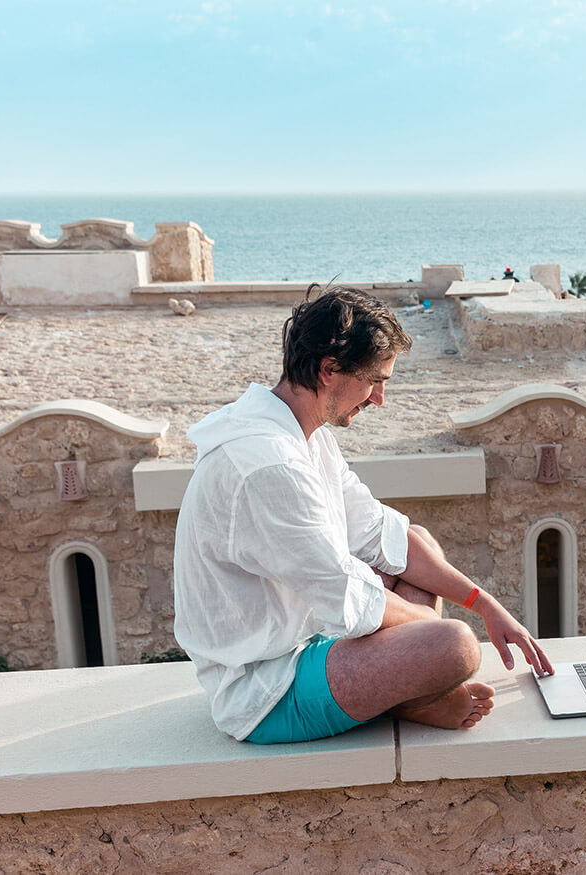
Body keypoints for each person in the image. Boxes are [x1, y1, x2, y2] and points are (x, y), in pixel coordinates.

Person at [174, 285, 553, 744]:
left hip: (314, 635)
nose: (379, 399)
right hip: (268, 686)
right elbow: (347, 595)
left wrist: (485, 605)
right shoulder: (268, 466)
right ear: (329, 369)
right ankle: (418, 696)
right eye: (376, 380)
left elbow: (379, 535)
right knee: (454, 646)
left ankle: (414, 694)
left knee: (419, 542)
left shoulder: (306, 436)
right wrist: (435, 637)